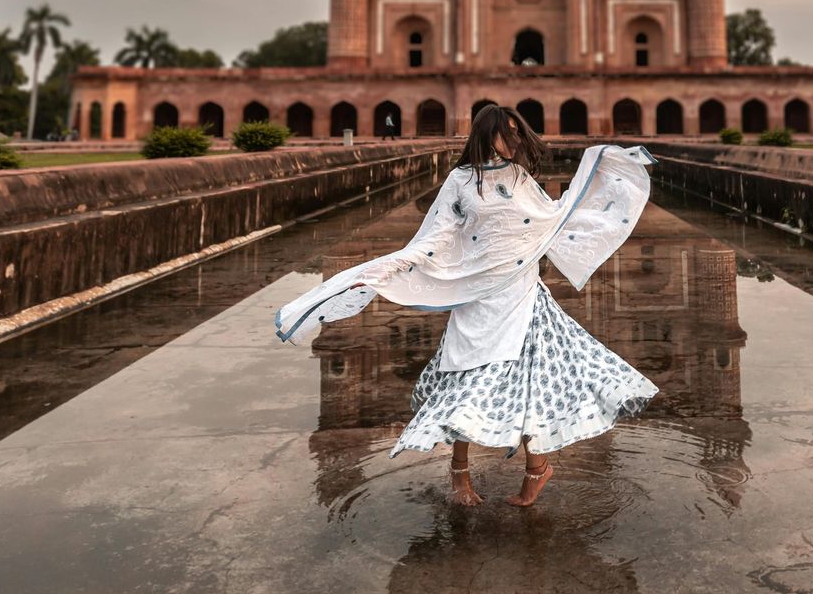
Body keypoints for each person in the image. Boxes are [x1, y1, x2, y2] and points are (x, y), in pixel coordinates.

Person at [276, 105, 657, 507]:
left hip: (522, 295)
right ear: (484, 135)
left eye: (516, 133)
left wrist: (597, 167)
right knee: (462, 383)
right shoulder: (460, 181)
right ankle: (460, 474)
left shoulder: (519, 177)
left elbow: (552, 217)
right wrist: (389, 268)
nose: (513, 142)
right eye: (504, 134)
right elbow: (435, 237)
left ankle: (537, 470)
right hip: (477, 296)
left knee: (531, 385)